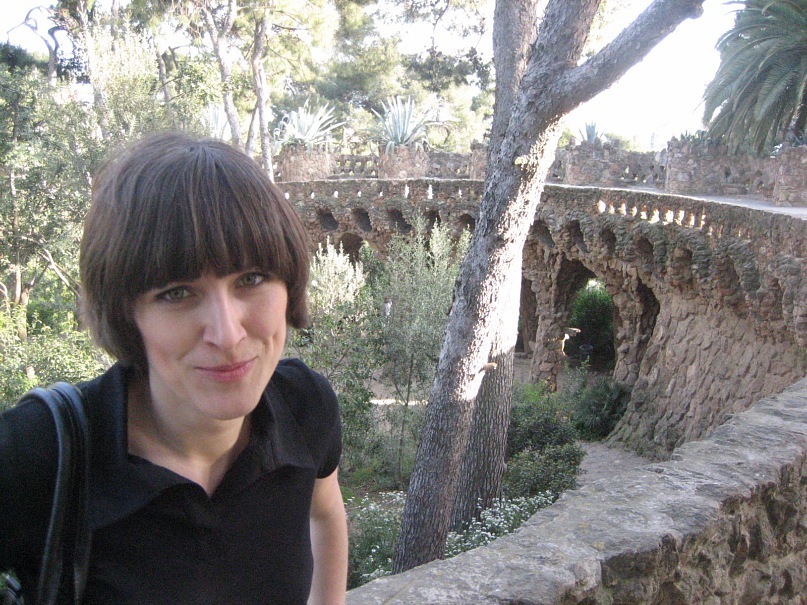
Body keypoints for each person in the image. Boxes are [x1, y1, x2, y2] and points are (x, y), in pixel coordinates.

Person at [0, 133, 348, 604]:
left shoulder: (304, 407)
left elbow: (325, 515)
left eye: (251, 279)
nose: (227, 334)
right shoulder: (38, 453)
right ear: (127, 314)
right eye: (177, 293)